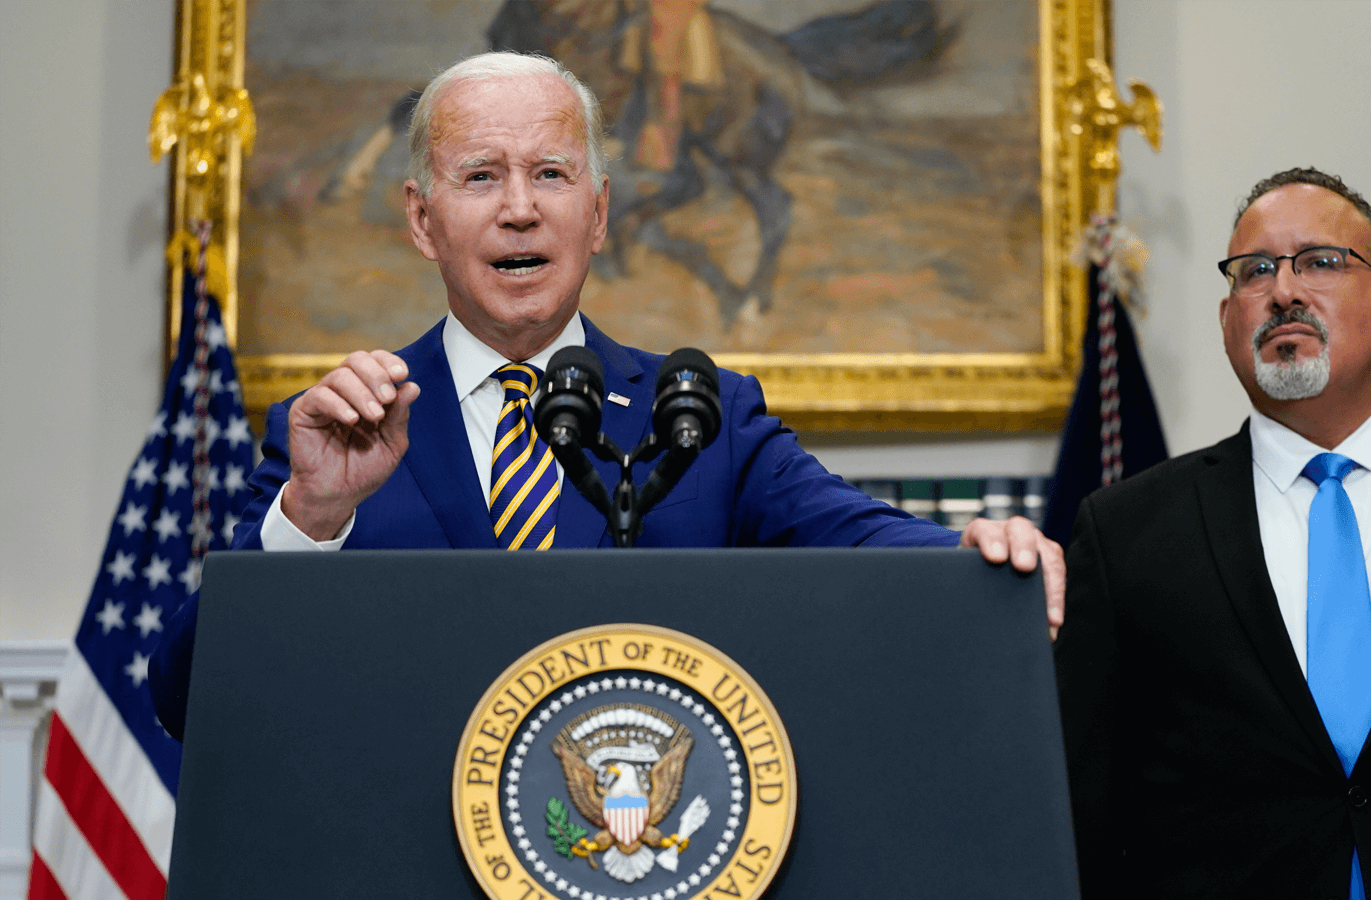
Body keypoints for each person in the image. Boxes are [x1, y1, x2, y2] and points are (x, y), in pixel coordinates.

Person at [150, 51, 1064, 736]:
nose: (520, 208)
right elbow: (189, 698)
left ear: (598, 211)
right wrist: (309, 516)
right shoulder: (337, 432)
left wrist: (972, 551)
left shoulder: (704, 414)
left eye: (551, 174)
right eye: (480, 177)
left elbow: (861, 539)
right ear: (423, 221)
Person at [1055, 168, 1371, 898]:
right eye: (1255, 272)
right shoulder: (1126, 534)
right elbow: (1081, 812)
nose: (1284, 291)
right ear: (1226, 323)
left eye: (1321, 261)